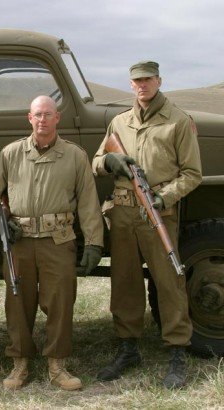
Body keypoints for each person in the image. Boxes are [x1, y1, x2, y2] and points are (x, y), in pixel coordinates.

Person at [0, 95, 104, 391]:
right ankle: (20, 362)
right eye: (38, 115)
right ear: (29, 118)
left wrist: (93, 242)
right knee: (17, 302)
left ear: (57, 118)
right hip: (20, 241)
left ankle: (57, 364)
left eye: (48, 114)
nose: (43, 120)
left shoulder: (75, 156)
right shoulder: (10, 154)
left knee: (60, 301)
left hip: (58, 239)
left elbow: (88, 202)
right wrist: (1, 223)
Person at [92, 61, 202, 389]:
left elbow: (192, 174)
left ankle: (177, 352)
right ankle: (128, 349)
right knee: (124, 284)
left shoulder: (178, 121)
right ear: (131, 85)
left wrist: (163, 197)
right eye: (136, 81)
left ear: (158, 81)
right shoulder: (119, 122)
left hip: (158, 214)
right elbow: (97, 162)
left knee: (169, 282)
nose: (142, 85)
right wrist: (110, 161)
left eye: (147, 80)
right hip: (123, 215)